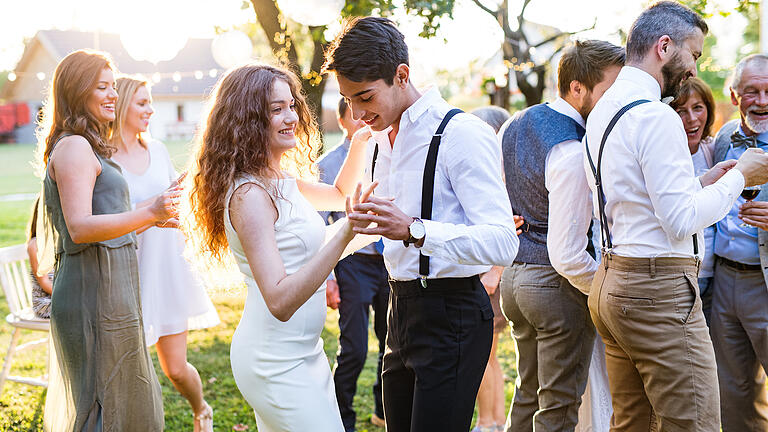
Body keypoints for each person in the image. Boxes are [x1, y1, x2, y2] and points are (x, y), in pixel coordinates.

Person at [323, 17, 520, 432]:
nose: (357, 115)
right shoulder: (375, 140)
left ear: (402, 75)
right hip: (400, 312)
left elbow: (504, 242)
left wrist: (416, 229)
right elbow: (376, 229)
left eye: (365, 97)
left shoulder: (460, 133)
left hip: (453, 314)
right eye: (347, 100)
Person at [582, 3, 768, 430]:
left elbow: (637, 198)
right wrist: (741, 175)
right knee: (695, 422)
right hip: (658, 292)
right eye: (695, 54)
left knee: (633, 423)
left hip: (612, 283)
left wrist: (704, 181)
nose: (694, 69)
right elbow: (681, 220)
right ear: (665, 47)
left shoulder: (606, 109)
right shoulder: (655, 115)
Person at [186, 63, 374, 432]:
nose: (290, 117)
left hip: (306, 353)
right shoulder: (249, 195)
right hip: (273, 361)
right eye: (276, 109)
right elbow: (280, 300)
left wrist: (359, 142)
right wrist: (345, 233)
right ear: (247, 119)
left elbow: (337, 196)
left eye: (291, 106)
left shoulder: (277, 178)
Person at [36, 49, 177, 431]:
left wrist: (155, 216)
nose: (113, 94)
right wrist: (149, 212)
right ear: (78, 90)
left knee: (120, 394)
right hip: (91, 296)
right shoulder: (74, 147)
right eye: (103, 87)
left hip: (114, 291)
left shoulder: (90, 144)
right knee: (99, 402)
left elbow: (108, 223)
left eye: (114, 86)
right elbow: (80, 227)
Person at [498, 39, 624, 432]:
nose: (616, 102)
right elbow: (568, 255)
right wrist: (604, 288)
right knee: (559, 407)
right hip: (554, 286)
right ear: (577, 88)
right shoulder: (571, 147)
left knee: (527, 394)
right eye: (609, 92)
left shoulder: (515, 123)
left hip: (514, 278)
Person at [109, 76, 221, 432]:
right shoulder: (102, 158)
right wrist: (151, 209)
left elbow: (174, 202)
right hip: (128, 271)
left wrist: (182, 191)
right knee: (131, 370)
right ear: (122, 104)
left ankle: (201, 408)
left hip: (167, 267)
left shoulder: (156, 149)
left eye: (150, 102)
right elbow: (110, 218)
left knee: (175, 368)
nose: (150, 109)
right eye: (142, 103)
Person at [318, 97, 389, 431]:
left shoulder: (387, 151)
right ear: (343, 121)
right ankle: (341, 416)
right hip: (353, 265)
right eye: (357, 116)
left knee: (392, 342)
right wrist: (329, 278)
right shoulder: (329, 164)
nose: (365, 120)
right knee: (355, 347)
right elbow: (319, 225)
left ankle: (383, 408)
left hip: (389, 261)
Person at [708, 53, 768, 431]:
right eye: (751, 91)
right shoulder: (724, 138)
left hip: (765, 281)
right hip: (725, 283)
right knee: (733, 390)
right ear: (733, 95)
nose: (761, 100)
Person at [470, 105, 514, 432]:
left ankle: (488, 421)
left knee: (480, 356)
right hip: (490, 276)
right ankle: (495, 420)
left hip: (489, 278)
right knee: (489, 355)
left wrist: (493, 273)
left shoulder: (499, 181)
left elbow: (509, 228)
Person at [670, 77, 717, 324]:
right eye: (681, 111)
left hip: (714, 277)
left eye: (698, 107)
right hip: (678, 279)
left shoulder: (713, 150)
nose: (691, 119)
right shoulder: (664, 155)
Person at [26, 197, 53, 319]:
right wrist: (70, 294)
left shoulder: (61, 242)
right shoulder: (35, 245)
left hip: (61, 298)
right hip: (45, 302)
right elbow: (45, 283)